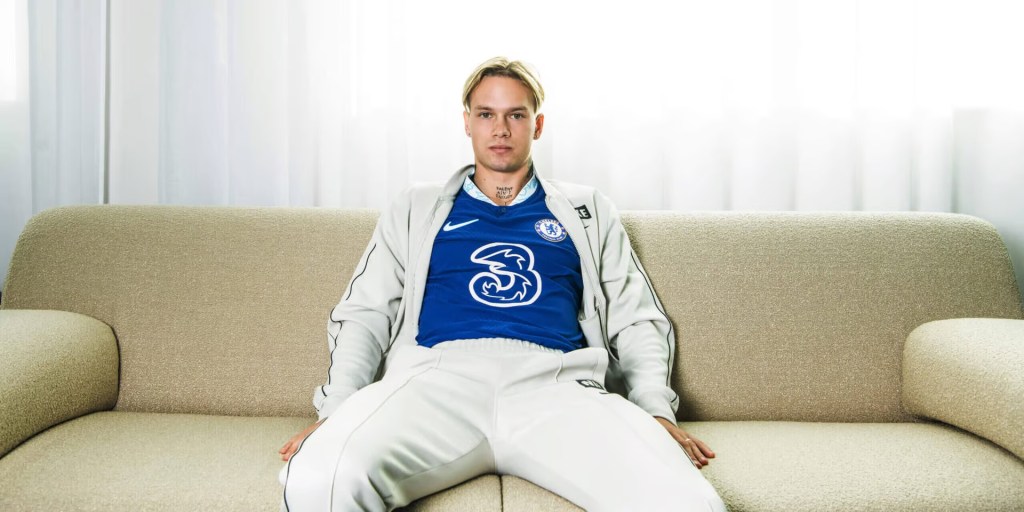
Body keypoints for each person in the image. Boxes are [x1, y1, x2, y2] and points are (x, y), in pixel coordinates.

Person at [278, 57, 726, 512]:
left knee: (688, 502)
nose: (500, 129)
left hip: (557, 383)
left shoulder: (589, 209)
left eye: (516, 115)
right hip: (435, 379)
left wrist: (655, 410)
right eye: (486, 114)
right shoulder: (415, 207)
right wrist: (336, 411)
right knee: (319, 478)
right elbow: (365, 314)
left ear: (538, 125)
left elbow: (636, 317)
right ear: (467, 123)